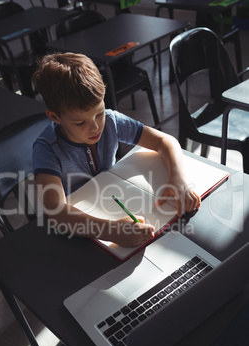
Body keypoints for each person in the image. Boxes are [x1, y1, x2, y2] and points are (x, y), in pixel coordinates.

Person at [32, 52, 201, 247]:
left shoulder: (112, 121)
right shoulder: (47, 148)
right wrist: (112, 231)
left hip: (113, 203)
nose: (95, 127)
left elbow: (165, 141)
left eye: (99, 113)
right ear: (54, 117)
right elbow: (55, 211)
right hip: (80, 232)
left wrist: (177, 178)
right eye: (80, 122)